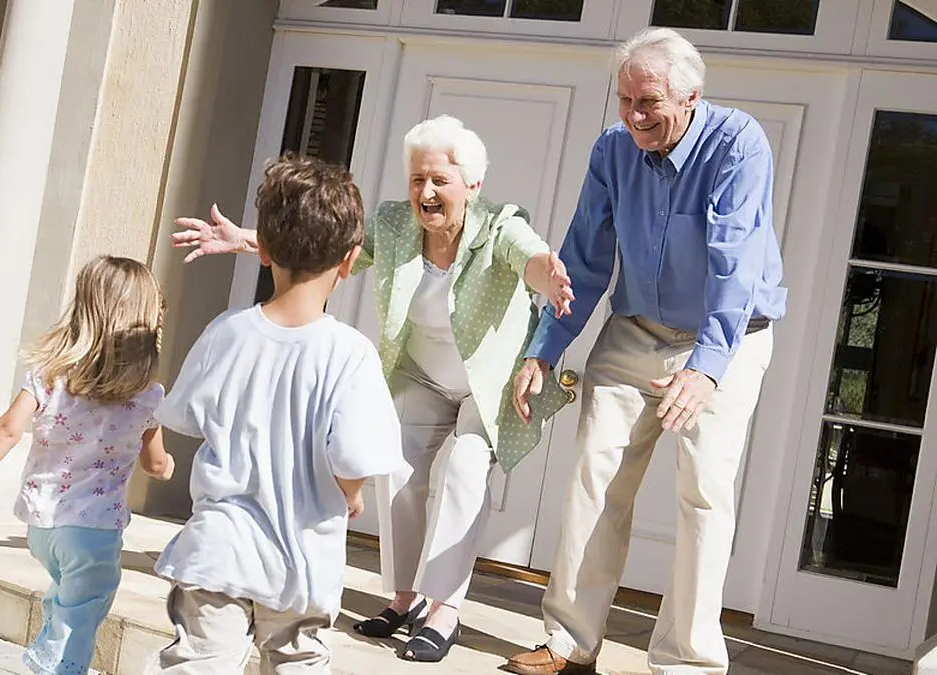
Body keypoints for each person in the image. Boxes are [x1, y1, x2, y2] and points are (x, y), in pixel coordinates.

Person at [171, 115, 574, 663]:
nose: (425, 193)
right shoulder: (393, 224)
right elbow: (327, 250)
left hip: (486, 385)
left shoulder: (501, 226)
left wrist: (545, 274)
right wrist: (249, 240)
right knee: (401, 470)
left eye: (439, 181)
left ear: (472, 186)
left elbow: (527, 256)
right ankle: (405, 596)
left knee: (463, 470)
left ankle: (443, 608)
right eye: (416, 180)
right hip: (423, 374)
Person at [505, 28, 786, 675]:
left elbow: (735, 266)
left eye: (648, 102)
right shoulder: (613, 149)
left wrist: (708, 368)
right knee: (593, 476)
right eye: (624, 100)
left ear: (690, 97)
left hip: (731, 335)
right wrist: (544, 348)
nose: (633, 117)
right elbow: (584, 254)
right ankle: (569, 641)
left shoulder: (737, 145)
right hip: (635, 330)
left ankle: (685, 662)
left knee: (704, 492)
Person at [144, 155, 403, 674]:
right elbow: (352, 456)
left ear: (261, 250)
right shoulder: (350, 353)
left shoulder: (228, 331)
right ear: (351, 260)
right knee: (296, 663)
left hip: (219, 550)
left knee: (198, 662)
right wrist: (349, 494)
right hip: (301, 561)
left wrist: (154, 456)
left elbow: (177, 416)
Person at [0, 255, 175, 675]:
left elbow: (7, 430)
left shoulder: (48, 377)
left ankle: (52, 650)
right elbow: (156, 464)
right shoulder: (147, 396)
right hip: (95, 531)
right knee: (84, 612)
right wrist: (167, 466)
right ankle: (58, 666)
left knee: (67, 596)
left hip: (42, 526)